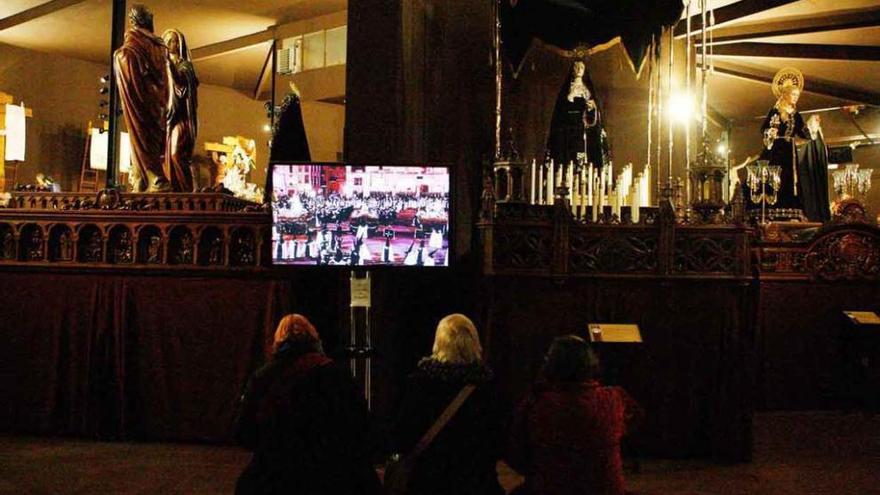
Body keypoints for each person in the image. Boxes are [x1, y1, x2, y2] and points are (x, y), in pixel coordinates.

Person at [235, 314, 381, 495]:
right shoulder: (336, 375)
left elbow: (245, 432)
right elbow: (362, 425)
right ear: (314, 338)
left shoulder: (264, 378)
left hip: (277, 477)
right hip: (335, 476)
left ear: (277, 341)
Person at [507, 335, 640, 495]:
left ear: (550, 365)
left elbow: (516, 454)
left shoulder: (536, 403)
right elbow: (634, 423)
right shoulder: (614, 398)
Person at [393, 314, 504, 495]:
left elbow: (402, 435)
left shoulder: (420, 385)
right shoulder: (488, 389)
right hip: (476, 483)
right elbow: (499, 440)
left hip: (429, 481)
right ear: (474, 342)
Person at [113, 5, 171, 192]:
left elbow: (127, 56)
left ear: (133, 21)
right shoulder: (159, 45)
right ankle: (141, 177)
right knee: (145, 136)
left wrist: (119, 57)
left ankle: (153, 176)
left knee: (141, 134)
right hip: (157, 98)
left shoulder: (137, 42)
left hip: (144, 97)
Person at [753, 68, 822, 214]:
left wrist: (812, 126)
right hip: (776, 149)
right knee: (777, 175)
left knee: (791, 177)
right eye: (793, 94)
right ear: (785, 94)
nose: (796, 97)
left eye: (798, 95)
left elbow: (803, 132)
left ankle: (791, 206)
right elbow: (764, 129)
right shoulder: (775, 112)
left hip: (790, 151)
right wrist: (770, 133)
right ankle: (774, 206)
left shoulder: (795, 114)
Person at [163, 28, 198, 192]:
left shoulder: (186, 66)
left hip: (182, 117)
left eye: (173, 40)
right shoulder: (162, 68)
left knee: (177, 154)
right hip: (168, 117)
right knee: (166, 158)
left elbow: (181, 83)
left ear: (180, 44)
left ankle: (186, 193)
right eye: (167, 41)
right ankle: (174, 191)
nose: (170, 44)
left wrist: (169, 64)